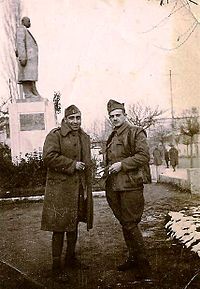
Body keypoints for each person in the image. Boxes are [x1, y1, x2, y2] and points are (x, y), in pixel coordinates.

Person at [41, 105, 93, 282]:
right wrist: (72, 165)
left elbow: (87, 162)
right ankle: (56, 266)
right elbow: (48, 157)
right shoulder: (55, 135)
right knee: (59, 227)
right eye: (72, 118)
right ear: (65, 119)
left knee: (74, 224)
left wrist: (87, 185)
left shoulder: (84, 137)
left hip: (78, 188)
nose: (76, 122)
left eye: (78, 118)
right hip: (60, 190)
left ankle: (70, 258)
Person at [105, 99, 152, 281]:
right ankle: (133, 258)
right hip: (115, 187)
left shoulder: (135, 132)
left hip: (130, 186)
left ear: (125, 115)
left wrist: (121, 165)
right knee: (125, 223)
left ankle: (144, 266)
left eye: (118, 115)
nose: (115, 119)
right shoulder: (113, 135)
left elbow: (143, 156)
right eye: (112, 116)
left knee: (131, 224)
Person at [16, 17, 40, 99]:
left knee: (30, 76)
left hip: (30, 60)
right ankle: (28, 93)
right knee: (26, 76)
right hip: (26, 59)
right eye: (28, 21)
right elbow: (20, 43)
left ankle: (33, 91)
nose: (30, 23)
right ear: (23, 21)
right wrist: (22, 57)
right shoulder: (21, 29)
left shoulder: (25, 30)